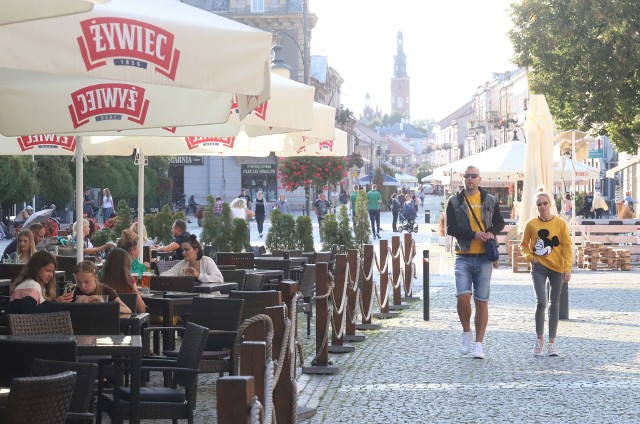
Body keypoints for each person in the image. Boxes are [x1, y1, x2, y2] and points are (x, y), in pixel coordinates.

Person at [446, 166, 505, 359]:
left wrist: (491, 232)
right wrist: (473, 234)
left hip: (483, 258)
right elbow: (451, 228)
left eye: (473, 176)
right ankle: (466, 331)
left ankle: (478, 344)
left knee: (481, 300)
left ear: (479, 179)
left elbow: (499, 222)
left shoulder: (489, 200)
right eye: (467, 176)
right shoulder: (454, 201)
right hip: (463, 254)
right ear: (462, 179)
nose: (470, 179)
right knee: (462, 297)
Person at [520, 192, 572, 357]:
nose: (542, 207)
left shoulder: (560, 223)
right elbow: (523, 245)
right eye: (539, 205)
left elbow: (566, 247)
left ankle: (552, 343)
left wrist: (567, 268)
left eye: (544, 203)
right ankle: (539, 339)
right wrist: (531, 258)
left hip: (558, 268)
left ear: (550, 204)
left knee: (554, 304)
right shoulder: (531, 224)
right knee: (541, 302)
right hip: (539, 267)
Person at [8, 251, 73, 313]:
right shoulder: (31, 286)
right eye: (48, 271)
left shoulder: (28, 284)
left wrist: (56, 303)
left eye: (52, 271)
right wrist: (56, 304)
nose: (51, 275)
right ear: (37, 269)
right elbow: (30, 312)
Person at [101, 248, 146, 313]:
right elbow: (142, 309)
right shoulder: (129, 282)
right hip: (128, 320)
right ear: (126, 264)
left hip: (107, 320)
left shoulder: (101, 282)